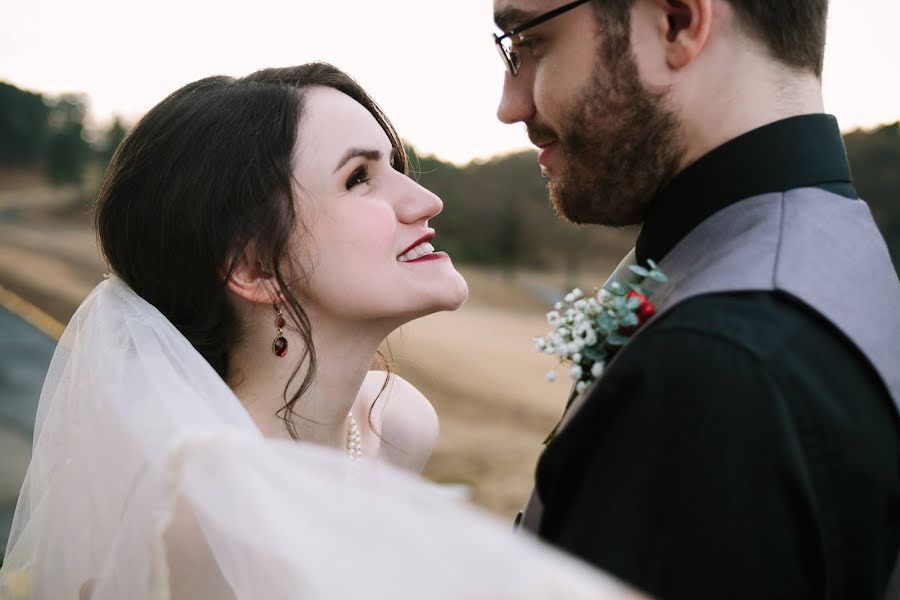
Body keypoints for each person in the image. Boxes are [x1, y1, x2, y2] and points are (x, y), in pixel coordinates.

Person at [0, 64, 641, 599]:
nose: (424, 201)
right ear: (252, 267)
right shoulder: (198, 521)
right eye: (359, 178)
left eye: (396, 167)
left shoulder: (397, 424)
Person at [492, 0, 900, 598]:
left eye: (530, 42)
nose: (510, 105)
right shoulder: (838, 252)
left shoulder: (715, 369)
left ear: (677, 22)